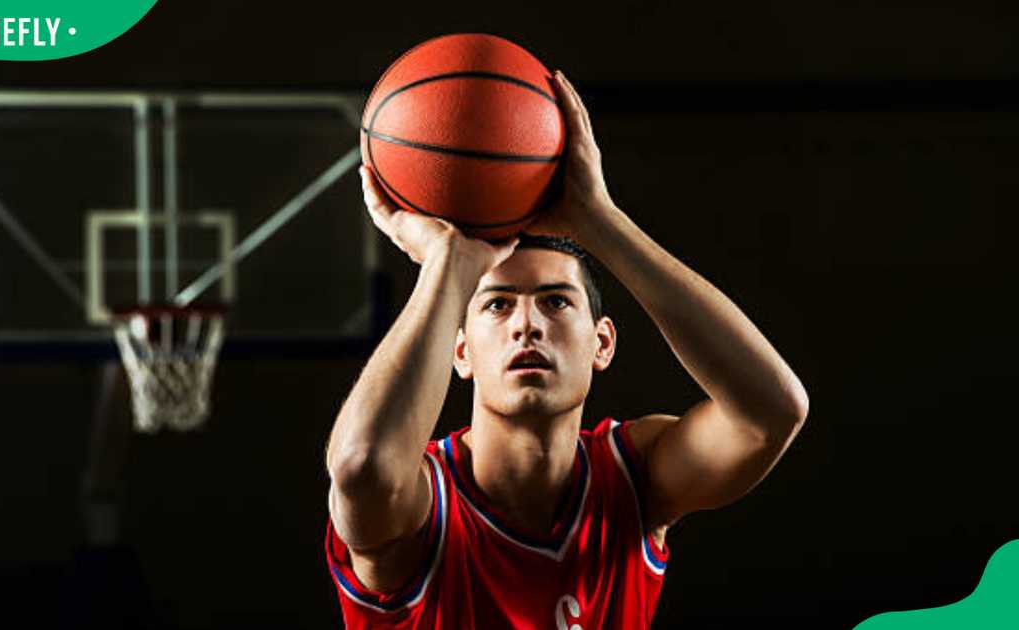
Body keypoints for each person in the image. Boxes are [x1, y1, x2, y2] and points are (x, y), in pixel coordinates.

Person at [324, 70, 809, 629]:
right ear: (459, 352)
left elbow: (773, 412)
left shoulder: (633, 478)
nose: (527, 324)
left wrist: (599, 221)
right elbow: (360, 468)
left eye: (555, 303)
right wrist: (444, 266)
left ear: (601, 343)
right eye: (497, 305)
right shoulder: (421, 507)